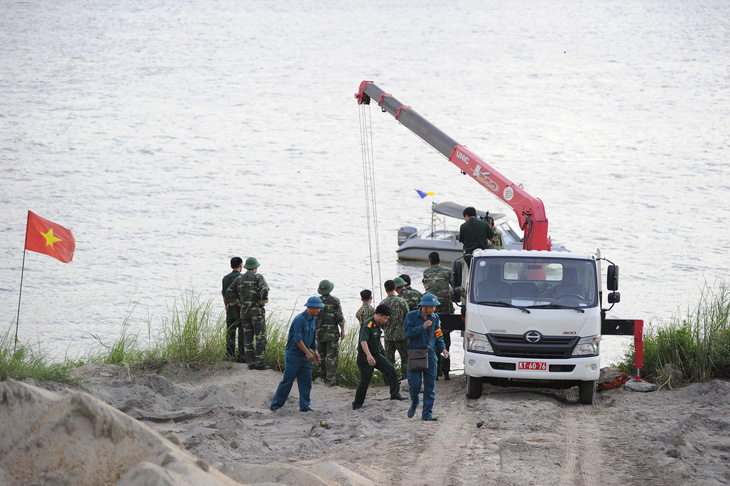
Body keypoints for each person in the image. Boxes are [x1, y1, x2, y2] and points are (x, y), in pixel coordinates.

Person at [270, 296, 323, 412]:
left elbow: (312, 339)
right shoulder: (299, 319)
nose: (318, 310)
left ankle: (304, 406)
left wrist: (315, 352)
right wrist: (307, 353)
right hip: (293, 355)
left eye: (319, 308)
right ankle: (275, 406)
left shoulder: (313, 319)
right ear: (309, 307)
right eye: (317, 308)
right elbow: (297, 339)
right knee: (287, 381)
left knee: (306, 382)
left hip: (305, 356)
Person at [403, 294, 449, 421]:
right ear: (423, 306)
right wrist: (422, 327)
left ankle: (427, 413)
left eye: (434, 307)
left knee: (430, 386)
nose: (433, 309)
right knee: (414, 384)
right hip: (415, 354)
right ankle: (414, 402)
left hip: (430, 355)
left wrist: (443, 348)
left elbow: (438, 334)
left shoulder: (435, 318)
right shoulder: (411, 316)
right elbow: (407, 332)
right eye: (431, 307)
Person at [352, 304, 407, 410]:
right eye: (385, 318)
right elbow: (363, 341)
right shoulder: (368, 324)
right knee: (365, 380)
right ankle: (357, 404)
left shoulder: (377, 325)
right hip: (365, 357)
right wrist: (368, 355)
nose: (386, 321)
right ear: (378, 315)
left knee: (390, 369)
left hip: (376, 355)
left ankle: (395, 394)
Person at [226, 257, 269, 370]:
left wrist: (237, 303)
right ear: (255, 268)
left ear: (245, 267)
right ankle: (259, 363)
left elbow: (229, 291)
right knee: (260, 337)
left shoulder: (240, 278)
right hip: (256, 312)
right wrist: (263, 301)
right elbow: (265, 289)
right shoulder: (258, 277)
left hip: (244, 312)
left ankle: (250, 363)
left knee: (248, 337)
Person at [422, 252, 454, 380]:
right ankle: (446, 372)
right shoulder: (447, 272)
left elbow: (426, 286)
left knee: (433, 339)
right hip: (445, 309)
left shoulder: (426, 272)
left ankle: (435, 373)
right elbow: (454, 287)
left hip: (431, 309)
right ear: (440, 260)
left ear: (430, 261)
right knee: (445, 339)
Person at [316, 279, 346, 386]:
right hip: (332, 334)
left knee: (320, 355)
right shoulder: (335, 301)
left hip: (319, 334)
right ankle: (330, 380)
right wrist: (342, 331)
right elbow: (340, 318)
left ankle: (321, 377)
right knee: (331, 356)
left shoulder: (316, 302)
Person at [379, 279, 410, 380]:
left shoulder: (382, 303)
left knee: (389, 360)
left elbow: (380, 321)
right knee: (405, 359)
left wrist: (386, 328)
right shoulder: (402, 302)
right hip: (402, 336)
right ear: (395, 288)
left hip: (388, 336)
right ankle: (405, 379)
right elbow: (407, 318)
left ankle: (390, 381)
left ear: (385, 289)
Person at [222, 257, 244, 362]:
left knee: (230, 332)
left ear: (231, 266)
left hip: (230, 309)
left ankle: (229, 355)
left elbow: (224, 295)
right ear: (241, 265)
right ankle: (241, 356)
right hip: (240, 309)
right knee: (242, 332)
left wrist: (226, 306)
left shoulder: (225, 278)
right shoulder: (242, 277)